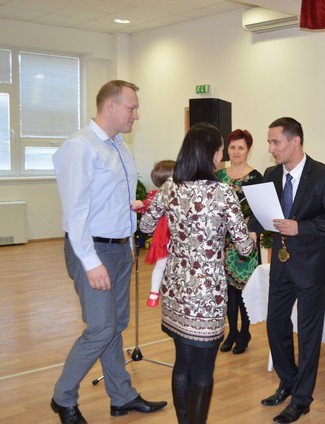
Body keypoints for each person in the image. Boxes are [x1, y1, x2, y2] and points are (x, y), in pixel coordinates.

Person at [51, 80, 167, 424]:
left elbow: (109, 200)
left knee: (116, 326)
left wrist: (130, 233)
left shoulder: (119, 146)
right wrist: (91, 262)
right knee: (101, 329)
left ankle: (122, 396)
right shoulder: (81, 146)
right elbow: (75, 213)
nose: (136, 115)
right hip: (92, 250)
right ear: (111, 106)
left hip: (118, 248)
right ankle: (62, 397)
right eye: (132, 107)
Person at [140, 123, 256, 424]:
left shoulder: (170, 187)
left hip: (176, 288)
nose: (222, 157)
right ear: (209, 154)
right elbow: (244, 249)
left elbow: (145, 226)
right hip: (207, 294)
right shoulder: (223, 192)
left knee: (182, 364)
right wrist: (250, 238)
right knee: (203, 371)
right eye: (220, 151)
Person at [249, 117, 325, 423]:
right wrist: (253, 229)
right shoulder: (271, 174)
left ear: (295, 141)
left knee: (308, 337)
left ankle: (302, 399)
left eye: (275, 142)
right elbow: (262, 212)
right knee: (275, 326)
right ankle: (289, 381)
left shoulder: (324, 176)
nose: (271, 149)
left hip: (312, 268)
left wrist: (301, 227)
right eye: (269, 143)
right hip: (281, 265)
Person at [216, 129, 263, 354]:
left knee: (244, 289)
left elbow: (259, 211)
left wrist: (247, 227)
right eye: (232, 147)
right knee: (227, 290)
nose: (236, 152)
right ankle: (232, 331)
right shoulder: (218, 175)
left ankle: (245, 331)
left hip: (245, 241)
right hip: (222, 241)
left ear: (248, 150)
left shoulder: (256, 177)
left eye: (241, 148)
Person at [132, 160, 176, 307]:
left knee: (166, 265)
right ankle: (154, 292)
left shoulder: (182, 194)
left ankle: (159, 293)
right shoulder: (156, 195)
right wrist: (139, 204)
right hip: (164, 234)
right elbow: (147, 205)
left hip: (176, 233)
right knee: (161, 263)